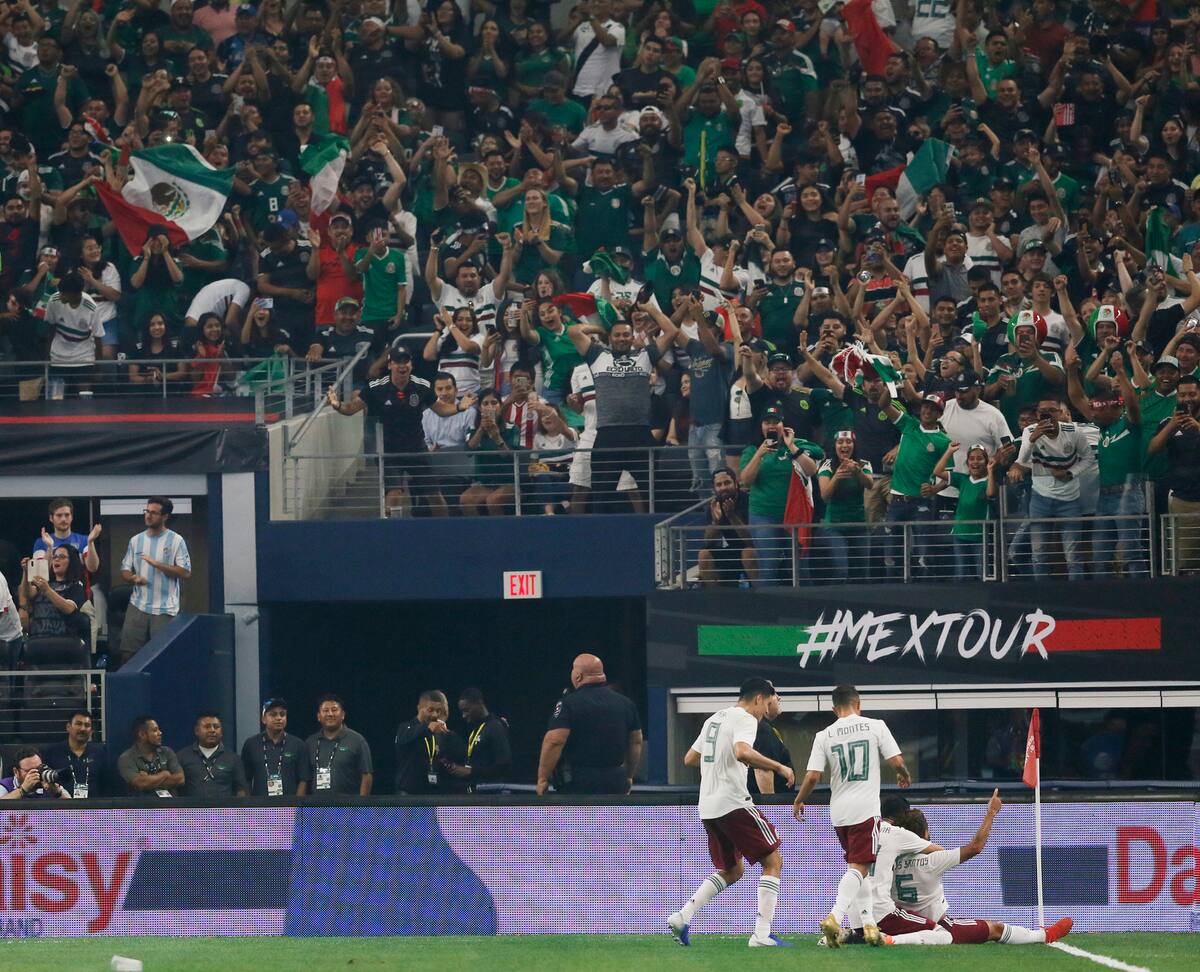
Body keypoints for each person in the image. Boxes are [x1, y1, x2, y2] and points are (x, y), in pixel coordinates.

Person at [668, 677, 794, 948]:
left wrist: (719, 759)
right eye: (767, 704)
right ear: (759, 698)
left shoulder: (714, 718)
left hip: (708, 806)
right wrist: (779, 767)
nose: (765, 712)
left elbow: (690, 758)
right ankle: (761, 935)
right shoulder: (746, 719)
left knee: (733, 869)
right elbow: (742, 752)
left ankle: (683, 916)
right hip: (733, 802)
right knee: (773, 861)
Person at [793, 684, 912, 948]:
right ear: (858, 704)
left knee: (858, 869)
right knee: (860, 867)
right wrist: (903, 773)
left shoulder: (824, 735)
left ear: (834, 709)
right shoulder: (875, 726)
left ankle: (869, 926)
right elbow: (896, 761)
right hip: (865, 810)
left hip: (839, 812)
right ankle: (835, 917)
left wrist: (799, 799)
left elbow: (813, 776)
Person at [884, 792, 1074, 947]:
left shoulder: (888, 861)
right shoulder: (934, 860)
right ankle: (1044, 935)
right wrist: (991, 813)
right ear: (925, 833)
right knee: (995, 929)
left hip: (903, 924)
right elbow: (974, 847)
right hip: (938, 924)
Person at [327, 347, 437, 516]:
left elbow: (442, 409)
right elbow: (350, 408)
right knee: (394, 496)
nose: (402, 365)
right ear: (390, 365)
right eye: (397, 362)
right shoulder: (375, 388)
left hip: (417, 448)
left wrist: (460, 407)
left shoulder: (422, 386)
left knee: (434, 496)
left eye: (406, 361)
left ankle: (448, 530)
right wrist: (337, 405)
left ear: (411, 365)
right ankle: (391, 529)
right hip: (389, 451)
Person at [1009, 396, 1094, 580]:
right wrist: (1033, 439)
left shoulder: (1073, 431)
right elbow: (1022, 460)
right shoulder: (1030, 431)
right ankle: (1042, 594)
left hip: (1070, 499)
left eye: (1052, 411)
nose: (1047, 415)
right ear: (1037, 414)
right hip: (1040, 499)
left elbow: (1089, 457)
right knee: (1039, 554)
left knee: (1073, 555)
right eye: (1043, 412)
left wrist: (1070, 473)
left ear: (1060, 413)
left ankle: (1078, 592)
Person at [536, 653, 642, 795]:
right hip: (615, 782)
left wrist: (542, 779)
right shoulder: (627, 704)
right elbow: (635, 742)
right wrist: (628, 776)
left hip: (578, 784)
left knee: (582, 812)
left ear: (578, 676)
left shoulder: (568, 703)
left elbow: (555, 741)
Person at [118, 496, 192, 665]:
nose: (148, 515)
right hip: (138, 605)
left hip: (165, 608)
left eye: (154, 513)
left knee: (162, 656)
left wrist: (157, 564)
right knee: (127, 655)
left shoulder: (176, 540)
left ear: (165, 516)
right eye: (147, 511)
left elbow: (186, 572)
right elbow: (125, 569)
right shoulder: (136, 540)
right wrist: (133, 578)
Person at [1148, 374, 1200, 573]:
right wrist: (1172, 426)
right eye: (1182, 395)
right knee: (1183, 562)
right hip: (1183, 501)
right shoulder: (1168, 422)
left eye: (1192, 394)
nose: (1187, 399)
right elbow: (1152, 450)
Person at [393, 689, 468, 795]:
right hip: (409, 796)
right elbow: (403, 739)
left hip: (432, 794)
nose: (435, 715)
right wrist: (427, 728)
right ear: (419, 708)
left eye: (438, 711)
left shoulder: (440, 733)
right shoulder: (405, 728)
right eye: (430, 710)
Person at [241, 697, 311, 797]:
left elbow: (303, 779)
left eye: (282, 714)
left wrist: (297, 804)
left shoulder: (298, 744)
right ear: (263, 719)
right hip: (259, 805)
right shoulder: (251, 744)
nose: (279, 718)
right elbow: (245, 779)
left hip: (289, 804)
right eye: (273, 714)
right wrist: (248, 804)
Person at [305, 693, 373, 796]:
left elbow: (366, 775)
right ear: (318, 716)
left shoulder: (357, 740)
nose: (330, 714)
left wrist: (361, 803)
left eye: (334, 710)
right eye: (325, 710)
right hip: (317, 804)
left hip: (348, 804)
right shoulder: (310, 742)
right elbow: (304, 777)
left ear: (343, 715)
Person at [698, 467, 755, 586]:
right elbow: (708, 542)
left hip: (753, 549)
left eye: (727, 483)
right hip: (731, 550)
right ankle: (715, 596)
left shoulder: (748, 500)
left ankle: (760, 593)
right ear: (714, 488)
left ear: (736, 484)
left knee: (748, 553)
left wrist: (731, 516)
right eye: (719, 485)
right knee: (704, 555)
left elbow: (750, 541)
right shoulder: (715, 504)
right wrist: (716, 522)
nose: (723, 488)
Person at [19, 543, 88, 641]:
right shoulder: (45, 583)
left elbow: (69, 608)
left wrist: (47, 590)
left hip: (62, 640)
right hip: (37, 638)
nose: (56, 559)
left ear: (72, 561)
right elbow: (28, 594)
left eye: (62, 557)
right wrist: (26, 572)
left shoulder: (76, 586)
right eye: (54, 557)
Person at [449, 687, 512, 790]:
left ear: (479, 703)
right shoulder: (476, 728)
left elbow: (504, 765)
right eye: (462, 711)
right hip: (477, 790)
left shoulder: (495, 726)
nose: (464, 715)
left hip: (492, 793)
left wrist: (471, 771)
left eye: (466, 710)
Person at [178, 711, 249, 798]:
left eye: (216, 727)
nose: (212, 730)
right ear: (197, 731)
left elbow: (241, 790)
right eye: (207, 727)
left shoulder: (233, 759)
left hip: (224, 807)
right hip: (192, 807)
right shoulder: (182, 757)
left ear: (221, 732)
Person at [43, 710, 112, 799]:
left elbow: (107, 785)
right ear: (68, 727)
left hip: (94, 806)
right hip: (61, 805)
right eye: (78, 724)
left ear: (91, 731)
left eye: (87, 725)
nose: (83, 729)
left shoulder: (100, 753)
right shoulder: (52, 752)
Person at [116, 715, 185, 799]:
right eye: (155, 730)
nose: (160, 733)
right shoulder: (126, 758)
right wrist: (164, 774)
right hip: (142, 806)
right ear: (142, 734)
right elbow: (140, 784)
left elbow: (180, 779)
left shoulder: (167, 752)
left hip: (170, 805)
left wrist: (148, 780)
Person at [32, 497, 101, 574]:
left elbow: (93, 568)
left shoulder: (84, 540)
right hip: (51, 582)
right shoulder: (41, 542)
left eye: (67, 515)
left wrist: (90, 542)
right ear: (51, 518)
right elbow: (39, 573)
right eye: (59, 515)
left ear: (72, 517)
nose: (63, 519)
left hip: (78, 582)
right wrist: (50, 548)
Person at [747, 688, 793, 796]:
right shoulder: (762, 729)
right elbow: (763, 770)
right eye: (773, 694)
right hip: (767, 802)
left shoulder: (765, 727)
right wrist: (770, 803)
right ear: (762, 700)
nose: (779, 697)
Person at [0, 747, 71, 799]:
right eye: (29, 771)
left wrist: (57, 793)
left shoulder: (47, 780)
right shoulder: (5, 785)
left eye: (38, 768)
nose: (36, 773)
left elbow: (72, 809)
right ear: (16, 772)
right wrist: (23, 790)